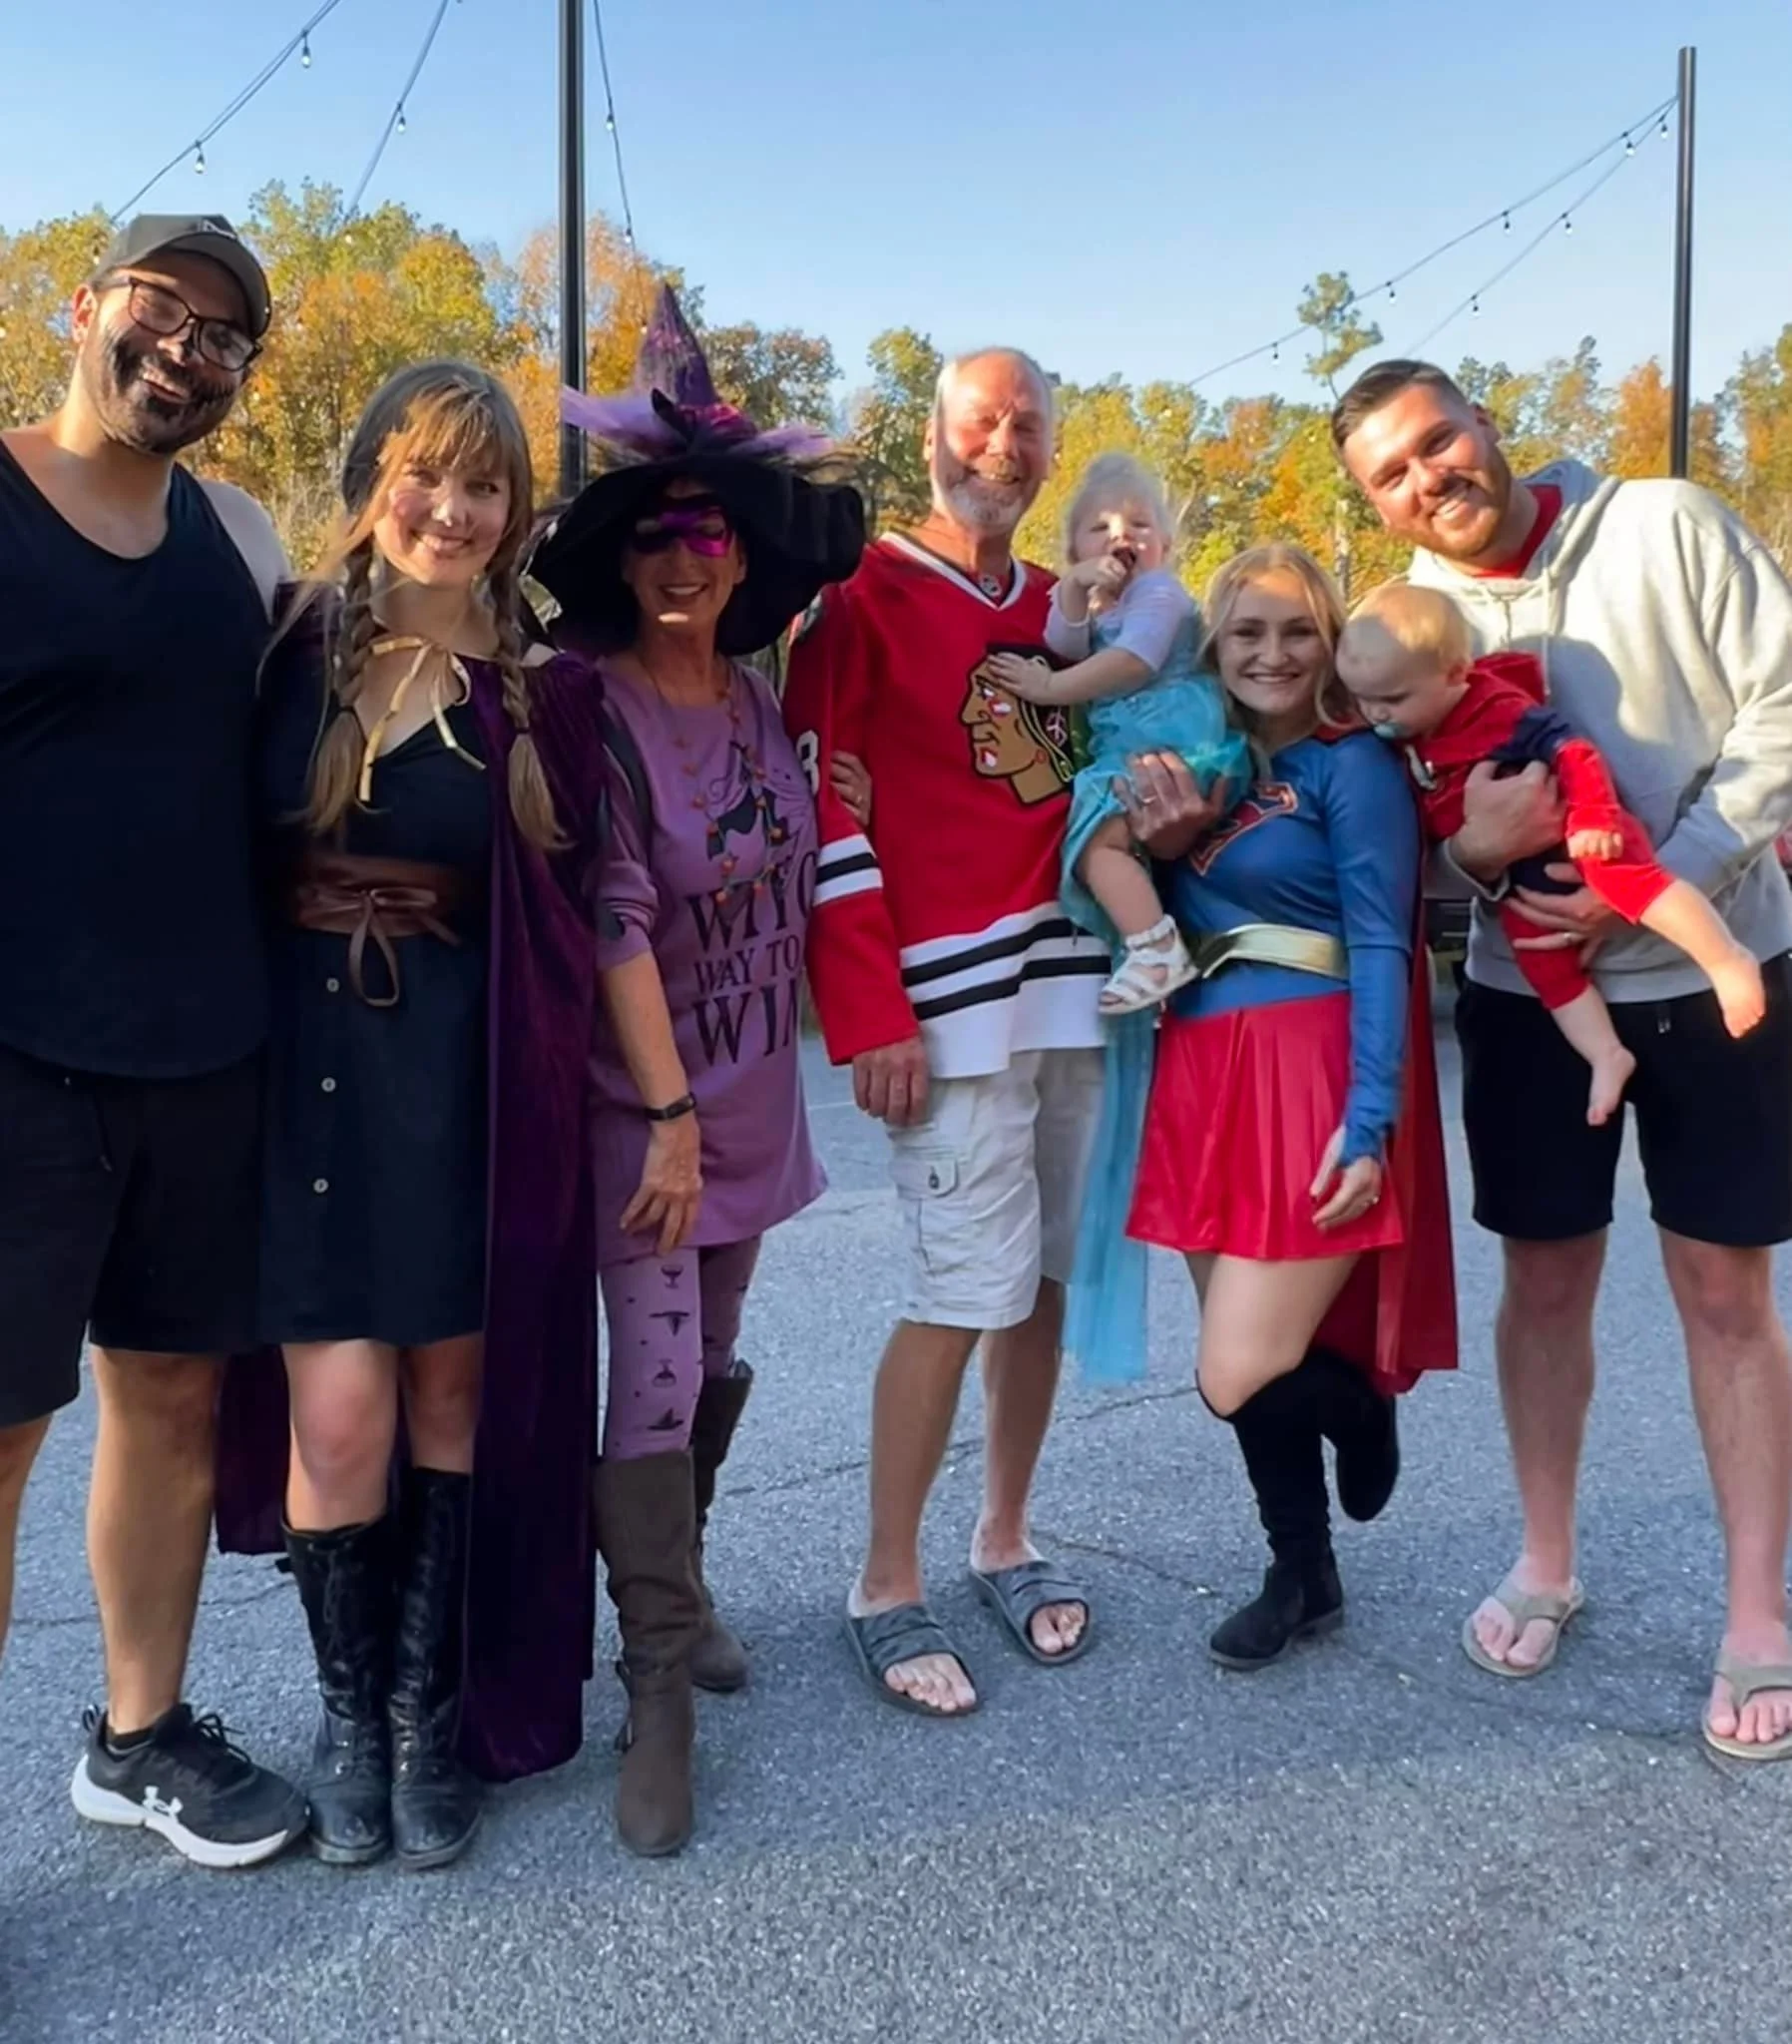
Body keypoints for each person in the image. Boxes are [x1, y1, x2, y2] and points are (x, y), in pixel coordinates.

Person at [1334, 358, 1792, 1760]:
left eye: (1437, 442)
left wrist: (1668, 875)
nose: (1430, 480)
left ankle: (1758, 1615)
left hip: (1717, 974)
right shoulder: (1406, 629)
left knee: (1724, 1292)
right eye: (1392, 475)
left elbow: (1781, 708)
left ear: (1482, 421)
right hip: (1526, 998)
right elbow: (1382, 820)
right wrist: (1469, 861)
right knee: (1544, 1275)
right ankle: (1547, 1559)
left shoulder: (1669, 524)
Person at [211, 361, 620, 1869]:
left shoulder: (542, 693)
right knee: (338, 1414)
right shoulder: (288, 652)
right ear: (372, 474)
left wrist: (668, 1099)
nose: (450, 510)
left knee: (453, 1402)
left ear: (514, 515)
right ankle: (340, 1712)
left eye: (485, 485)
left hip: (469, 1080)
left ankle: (419, 1717)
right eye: (424, 474)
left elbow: (597, 913)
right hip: (308, 1086)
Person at [528, 285, 865, 1852]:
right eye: (656, 537)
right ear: (623, 558)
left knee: (715, 1361)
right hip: (648, 1110)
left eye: (711, 538)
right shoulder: (596, 708)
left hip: (756, 1102)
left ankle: (692, 1582)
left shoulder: (754, 697)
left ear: (746, 561)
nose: (682, 560)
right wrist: (662, 1116)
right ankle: (652, 1684)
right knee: (653, 1381)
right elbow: (612, 918)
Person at [0, 214, 305, 1867]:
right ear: (80, 307)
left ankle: (138, 1732)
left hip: (208, 1046)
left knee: (171, 1399)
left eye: (226, 334)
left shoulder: (242, 537)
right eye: (163, 307)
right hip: (15, 1059)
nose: (191, 345)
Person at [783, 346, 1108, 1720]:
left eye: (1027, 422)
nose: (1005, 441)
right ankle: (886, 1578)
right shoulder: (857, 601)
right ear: (935, 436)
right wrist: (868, 1007)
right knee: (955, 1288)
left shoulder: (1072, 611)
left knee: (1037, 1285)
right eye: (982, 416)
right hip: (946, 1004)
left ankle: (1005, 1534)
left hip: (1072, 991)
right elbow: (819, 803)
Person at [1120, 542, 1457, 1668]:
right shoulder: (1187, 758)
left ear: (1329, 647)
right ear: (1216, 643)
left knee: (1233, 1364)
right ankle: (1299, 1571)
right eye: (1248, 631)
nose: (1271, 653)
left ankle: (1362, 1405)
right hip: (1201, 1066)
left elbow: (1379, 941)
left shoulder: (1346, 763)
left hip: (1304, 1070)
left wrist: (1370, 1120)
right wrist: (1163, 845)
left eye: (1296, 630)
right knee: (1244, 1362)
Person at [1337, 580, 1765, 1126]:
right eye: (1363, 700)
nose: (1377, 714)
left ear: (1453, 675)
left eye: (1393, 700)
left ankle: (1726, 959)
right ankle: (1605, 1054)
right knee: (1545, 966)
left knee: (1635, 884)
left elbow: (1571, 749)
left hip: (1582, 838)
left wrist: (1593, 815)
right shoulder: (1398, 739)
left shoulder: (1494, 709)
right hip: (1520, 885)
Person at [987, 451, 1247, 1013]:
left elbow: (1135, 660)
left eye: (1139, 525)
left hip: (1173, 740)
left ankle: (1154, 946)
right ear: (1075, 550)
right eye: (1099, 528)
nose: (1120, 535)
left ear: (1166, 547)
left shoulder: (1159, 593)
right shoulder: (1107, 606)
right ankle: (1146, 944)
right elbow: (1064, 643)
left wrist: (1050, 690)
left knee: (1095, 841)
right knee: (1103, 844)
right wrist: (1076, 588)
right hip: (1138, 747)